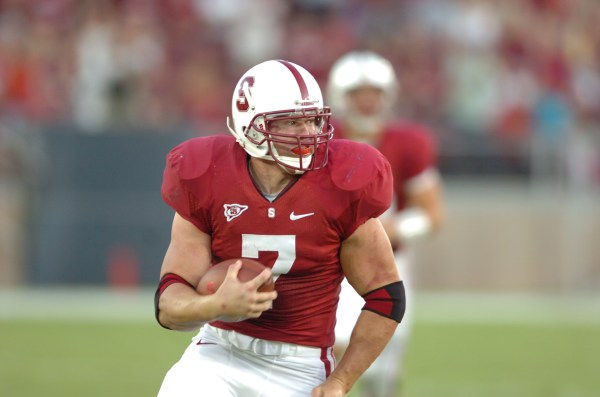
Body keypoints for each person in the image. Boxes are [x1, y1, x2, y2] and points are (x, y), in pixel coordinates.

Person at [154, 59, 406, 397]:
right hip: (218, 353)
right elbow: (169, 306)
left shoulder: (343, 184)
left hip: (300, 366)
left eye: (313, 121)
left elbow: (385, 297)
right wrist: (215, 306)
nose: (308, 135)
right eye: (289, 123)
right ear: (251, 125)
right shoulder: (207, 176)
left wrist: (341, 382)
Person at [327, 51, 444, 397]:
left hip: (388, 260)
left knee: (383, 370)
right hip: (333, 260)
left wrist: (398, 229)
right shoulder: (323, 139)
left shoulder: (408, 142)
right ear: (340, 96)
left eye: (373, 93)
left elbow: (433, 214)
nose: (366, 102)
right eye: (358, 93)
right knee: (335, 343)